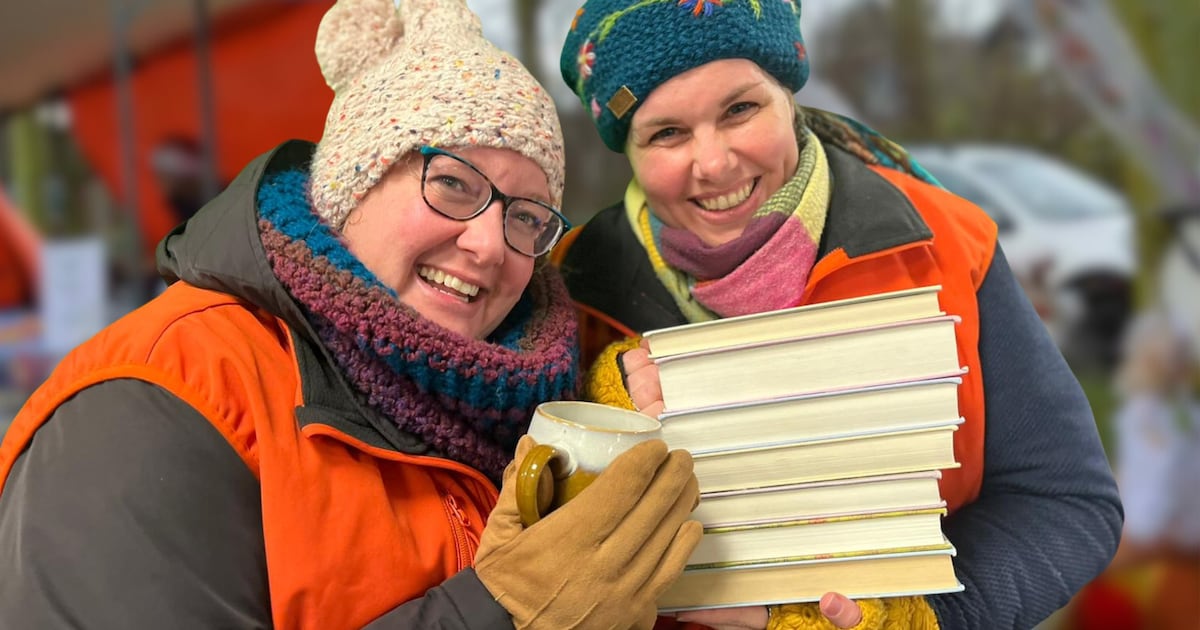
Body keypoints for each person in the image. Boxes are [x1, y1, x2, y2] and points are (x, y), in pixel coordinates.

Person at [0, 0, 702, 628]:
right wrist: (503, 615)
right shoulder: (157, 401)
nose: (488, 243)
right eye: (453, 184)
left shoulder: (543, 402)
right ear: (348, 189)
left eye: (524, 215)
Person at [553, 1, 1123, 628]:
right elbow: (530, 527)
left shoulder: (945, 242)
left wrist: (923, 620)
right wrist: (602, 409)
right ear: (626, 150)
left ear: (787, 96)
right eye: (666, 133)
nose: (713, 163)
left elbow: (1063, 500)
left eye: (740, 109)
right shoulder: (573, 285)